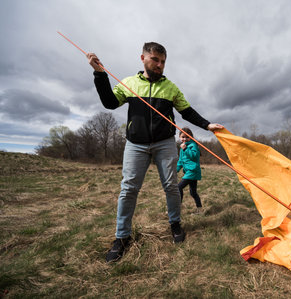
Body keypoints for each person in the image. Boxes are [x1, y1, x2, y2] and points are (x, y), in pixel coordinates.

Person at [86, 42, 223, 263]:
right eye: (155, 60)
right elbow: (110, 103)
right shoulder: (129, 83)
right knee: (129, 188)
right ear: (143, 58)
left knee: (170, 186)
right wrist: (100, 74)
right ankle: (121, 237)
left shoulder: (171, 88)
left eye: (163, 62)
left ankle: (175, 225)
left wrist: (207, 125)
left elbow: (186, 111)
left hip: (164, 143)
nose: (159, 65)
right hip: (135, 144)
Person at [177, 127, 203, 214]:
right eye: (183, 137)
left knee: (178, 187)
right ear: (180, 137)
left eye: (187, 137)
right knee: (193, 193)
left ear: (191, 137)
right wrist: (175, 170)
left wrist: (185, 149)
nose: (185, 139)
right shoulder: (182, 147)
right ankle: (200, 210)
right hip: (189, 172)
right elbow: (181, 161)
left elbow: (195, 156)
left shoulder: (193, 145)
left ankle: (177, 208)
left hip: (192, 171)